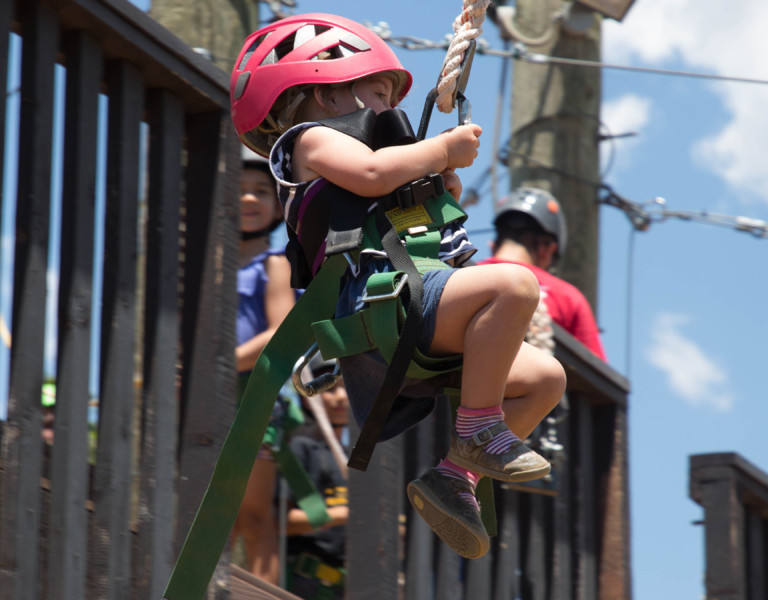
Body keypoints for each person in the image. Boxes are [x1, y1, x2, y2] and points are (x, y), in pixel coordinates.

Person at [230, 13, 566, 560]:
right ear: (325, 91)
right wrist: (441, 152)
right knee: (515, 286)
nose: (389, 109)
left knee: (545, 378)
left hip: (418, 303)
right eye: (377, 93)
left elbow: (391, 185)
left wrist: (437, 186)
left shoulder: (383, 158)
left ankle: (455, 477)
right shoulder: (309, 142)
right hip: (380, 303)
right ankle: (479, 427)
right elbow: (369, 177)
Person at [230, 146, 297, 584]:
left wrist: (225, 362)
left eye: (261, 191)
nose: (251, 199)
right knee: (213, 516)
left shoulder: (273, 264)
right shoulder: (203, 265)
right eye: (240, 191)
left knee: (252, 516)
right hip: (204, 399)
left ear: (278, 205)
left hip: (251, 398)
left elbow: (282, 329)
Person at [477, 187, 607, 360]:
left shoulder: (462, 276)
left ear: (492, 245)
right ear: (547, 250)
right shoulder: (568, 298)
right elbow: (596, 375)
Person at [282, 356, 348, 600]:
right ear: (307, 397)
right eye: (329, 389)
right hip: (303, 581)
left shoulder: (352, 460)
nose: (340, 397)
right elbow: (280, 521)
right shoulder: (301, 447)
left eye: (346, 387)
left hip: (341, 586)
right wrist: (342, 515)